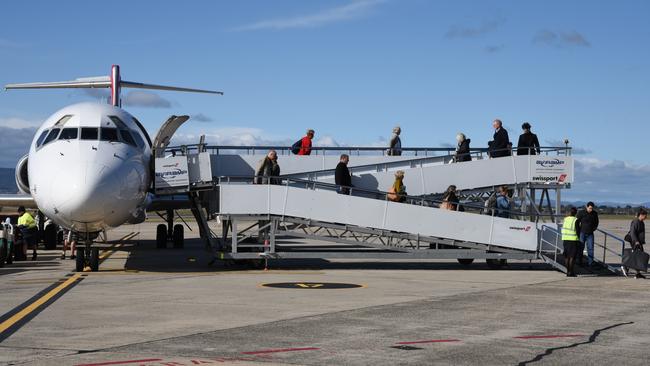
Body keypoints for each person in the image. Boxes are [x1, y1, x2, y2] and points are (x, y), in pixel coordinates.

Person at [622, 208, 647, 279]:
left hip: (639, 242)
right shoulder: (635, 222)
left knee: (639, 256)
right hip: (635, 241)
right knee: (636, 256)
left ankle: (637, 273)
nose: (646, 217)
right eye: (645, 215)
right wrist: (636, 241)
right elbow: (632, 232)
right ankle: (624, 266)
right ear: (641, 215)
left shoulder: (641, 222)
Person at [576, 202, 599, 266]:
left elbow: (596, 222)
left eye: (592, 208)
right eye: (589, 208)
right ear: (587, 207)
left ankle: (590, 262)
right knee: (581, 247)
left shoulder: (594, 214)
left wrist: (593, 229)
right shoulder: (581, 213)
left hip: (590, 234)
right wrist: (578, 230)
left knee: (590, 248)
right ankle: (579, 261)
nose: (590, 210)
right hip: (582, 233)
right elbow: (577, 222)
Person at [562, 207, 581, 277]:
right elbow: (578, 230)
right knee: (572, 257)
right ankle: (571, 272)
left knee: (567, 256)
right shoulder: (576, 220)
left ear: (570, 212)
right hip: (573, 240)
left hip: (565, 239)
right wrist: (579, 239)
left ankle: (567, 272)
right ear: (576, 213)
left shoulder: (565, 219)